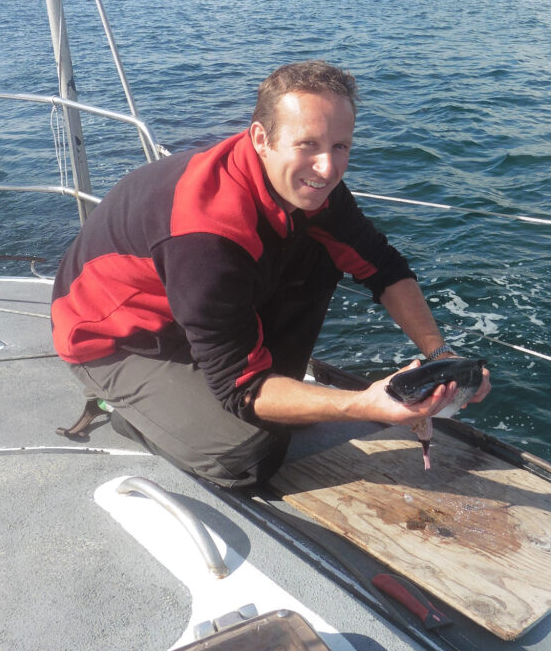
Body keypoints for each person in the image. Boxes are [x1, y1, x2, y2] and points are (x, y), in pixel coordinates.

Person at [51, 60, 490, 488]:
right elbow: (242, 388)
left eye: (341, 146)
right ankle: (128, 410)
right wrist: (364, 404)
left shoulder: (310, 190)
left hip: (195, 310)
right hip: (118, 339)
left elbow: (383, 267)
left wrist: (441, 357)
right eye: (308, 144)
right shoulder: (205, 233)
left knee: (324, 252)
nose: (328, 168)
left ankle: (247, 386)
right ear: (261, 138)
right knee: (249, 455)